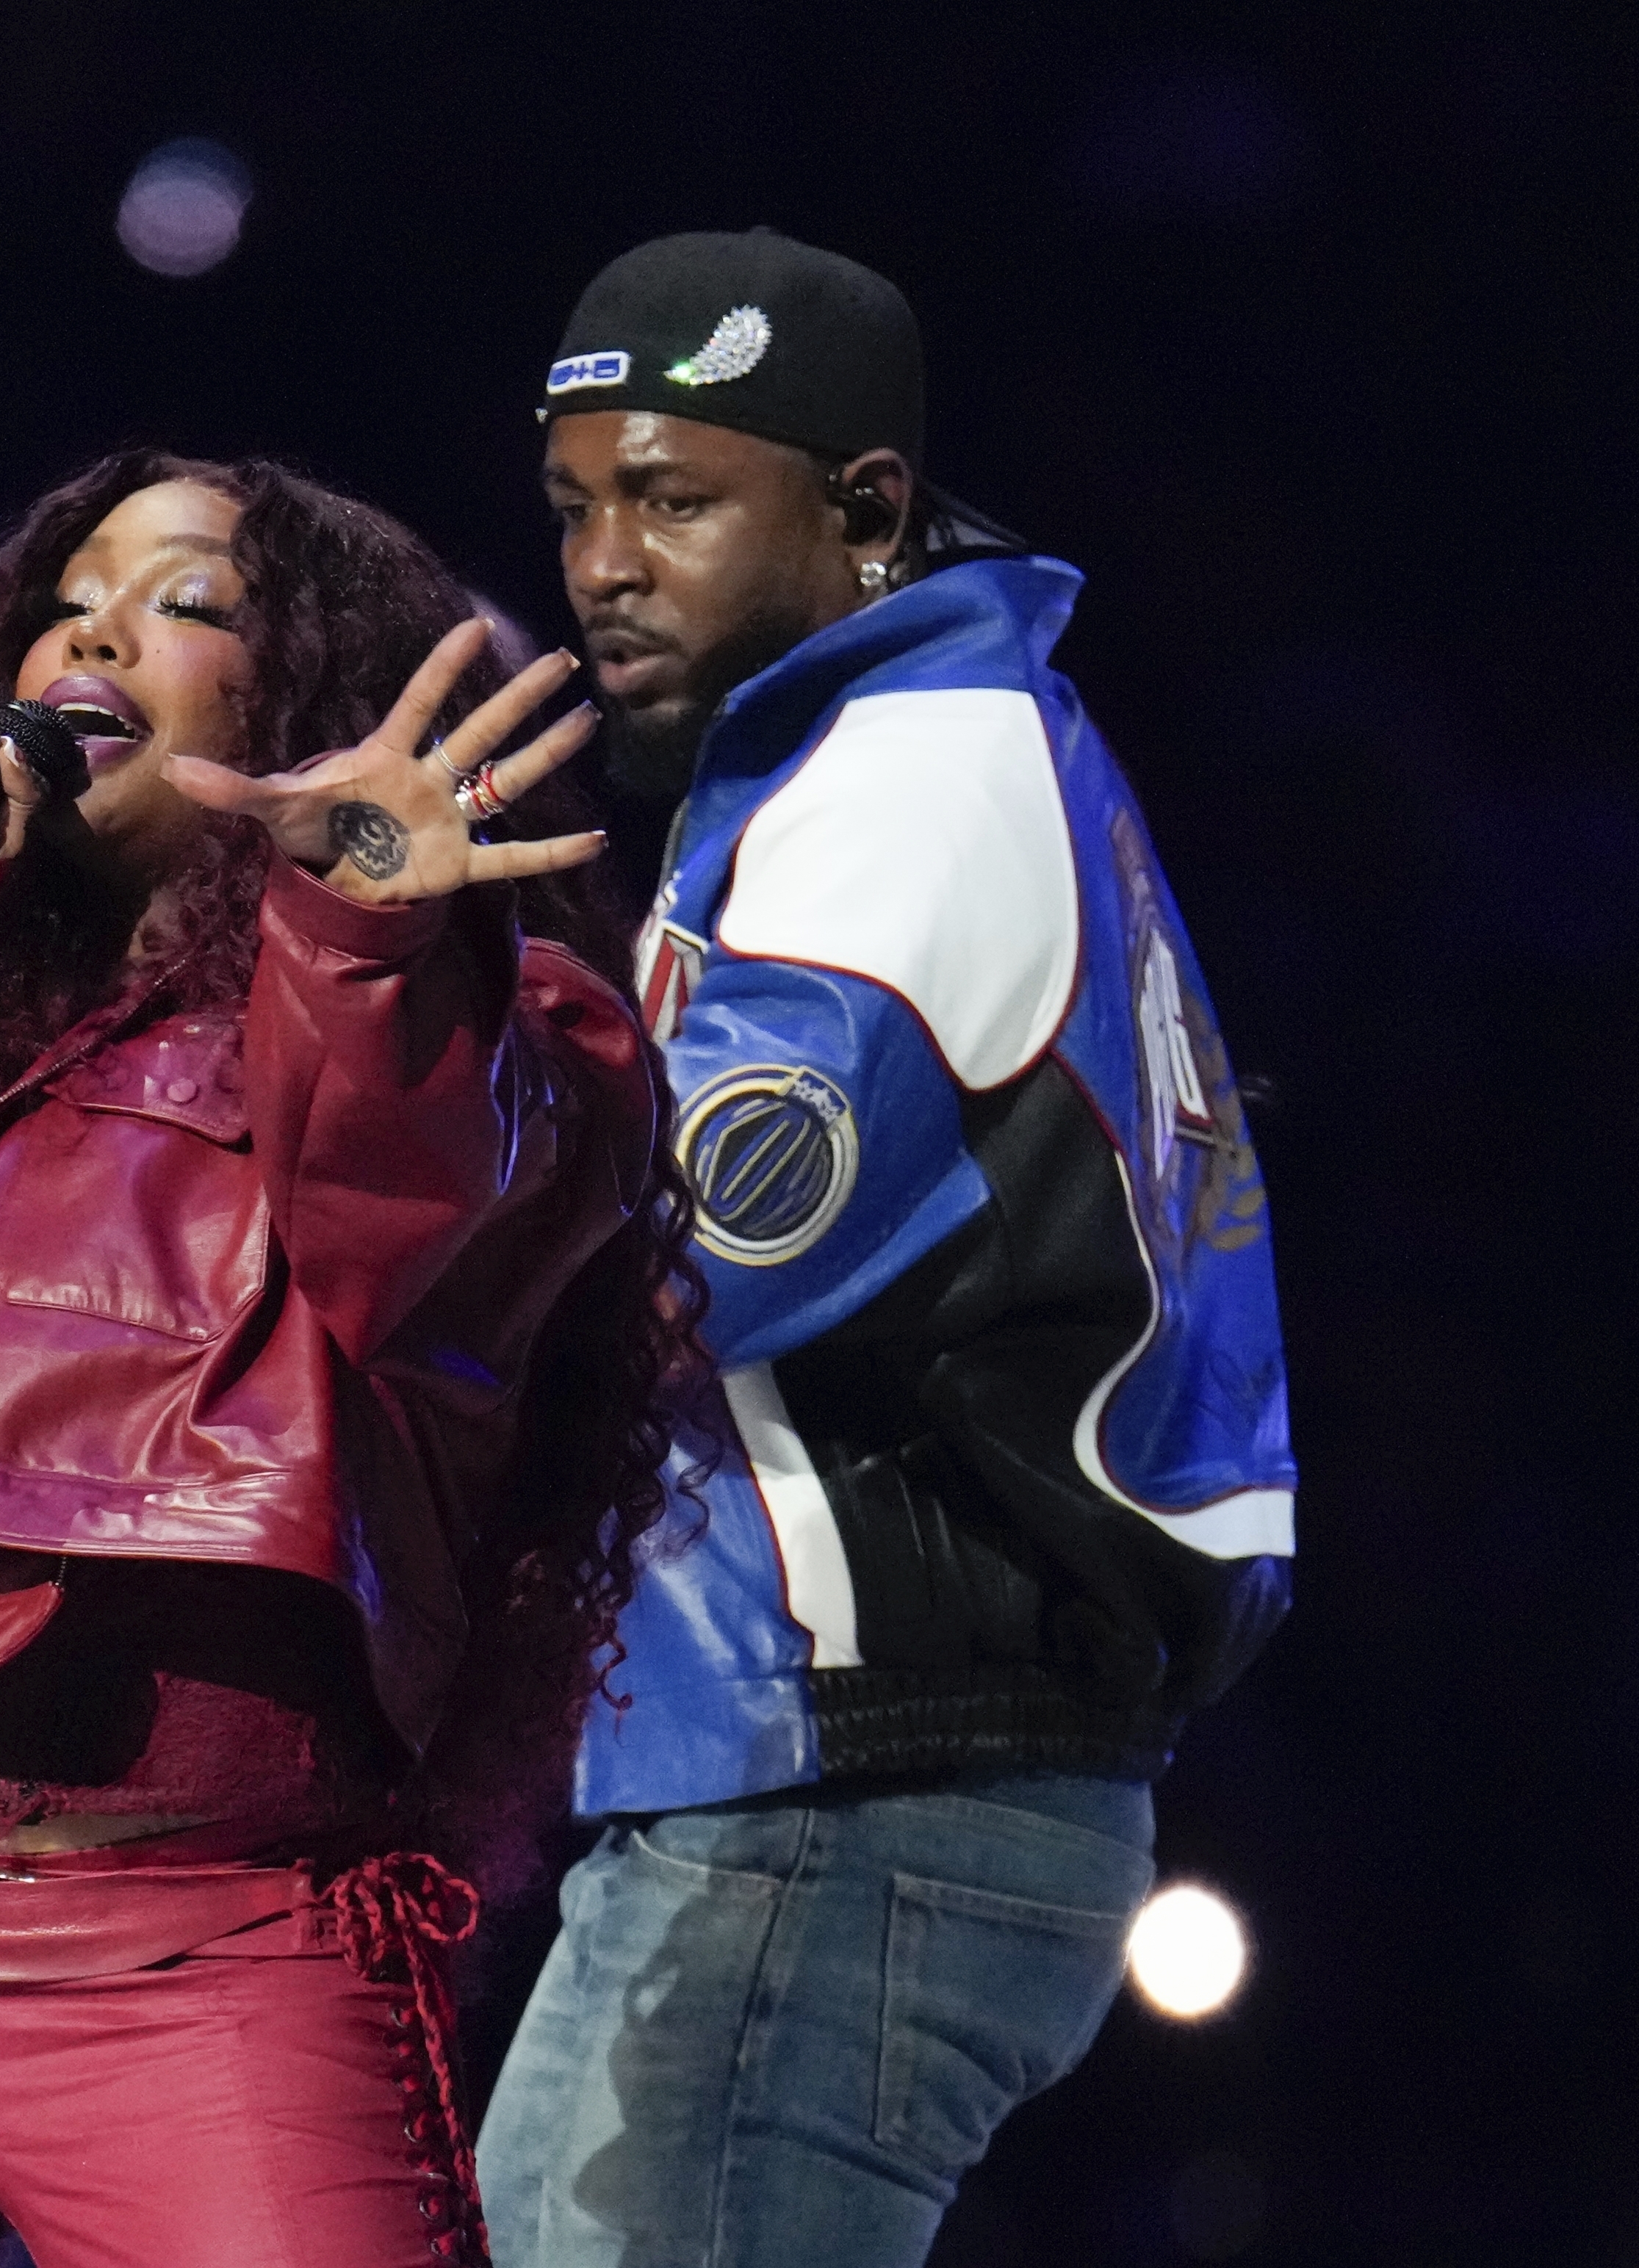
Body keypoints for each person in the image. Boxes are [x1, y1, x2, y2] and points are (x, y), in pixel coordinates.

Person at [0, 452, 707, 2267]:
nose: (94, 625)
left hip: (207, 1964)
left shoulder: (499, 1017)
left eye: (188, 600)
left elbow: (405, 1230)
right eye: (68, 599)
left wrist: (373, 939)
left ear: (311, 697)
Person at [472, 232, 1295, 2265]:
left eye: (673, 500)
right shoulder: (887, 752)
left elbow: (665, 1260)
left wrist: (366, 1009)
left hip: (865, 1781)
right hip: (824, 1772)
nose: (602, 568)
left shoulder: (914, 776)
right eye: (575, 507)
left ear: (864, 511)